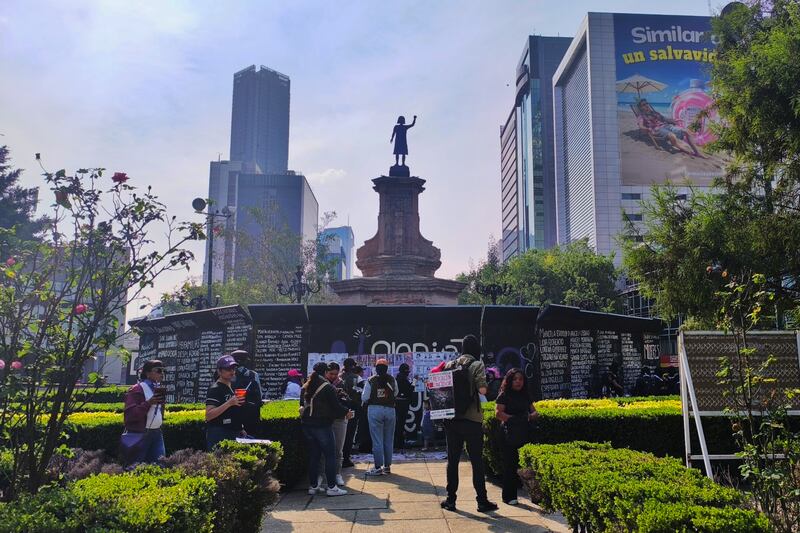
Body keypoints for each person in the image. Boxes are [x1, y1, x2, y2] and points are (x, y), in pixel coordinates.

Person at [440, 334, 498, 513]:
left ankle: (450, 500)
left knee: (452, 461)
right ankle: (481, 501)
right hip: (472, 420)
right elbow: (482, 389)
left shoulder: (450, 364)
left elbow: (442, 391)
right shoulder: (476, 364)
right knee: (476, 462)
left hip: (451, 420)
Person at [301, 361, 351, 497]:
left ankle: (313, 486)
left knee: (314, 455)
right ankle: (332, 487)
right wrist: (347, 411)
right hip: (322, 424)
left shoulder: (307, 385)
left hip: (307, 425)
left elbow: (302, 404)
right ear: (325, 372)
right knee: (330, 455)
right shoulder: (326, 387)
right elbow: (336, 406)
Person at [495, 368, 538, 505]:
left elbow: (535, 412)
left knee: (528, 465)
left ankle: (535, 494)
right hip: (509, 433)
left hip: (525, 432)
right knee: (510, 465)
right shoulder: (504, 395)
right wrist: (516, 419)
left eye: (521, 379)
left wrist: (530, 417)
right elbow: (498, 414)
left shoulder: (526, 395)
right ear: (509, 381)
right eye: (515, 379)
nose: (518, 382)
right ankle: (509, 496)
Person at [122, 359, 167, 464]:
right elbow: (130, 415)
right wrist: (149, 403)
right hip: (140, 434)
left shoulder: (157, 388)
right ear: (148, 373)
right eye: (158, 370)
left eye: (163, 371)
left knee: (160, 466)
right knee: (135, 466)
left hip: (157, 432)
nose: (162, 374)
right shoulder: (137, 389)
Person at [362, 358, 398, 476]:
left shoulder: (371, 380)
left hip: (375, 409)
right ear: (387, 368)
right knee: (389, 439)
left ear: (376, 368)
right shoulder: (392, 379)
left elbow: (364, 397)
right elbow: (396, 393)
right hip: (390, 410)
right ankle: (387, 467)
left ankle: (378, 467)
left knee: (377, 440)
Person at [636, 99, 705, 158]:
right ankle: (683, 149)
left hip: (667, 126)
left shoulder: (654, 113)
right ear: (641, 108)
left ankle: (697, 152)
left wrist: (674, 120)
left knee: (686, 131)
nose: (646, 105)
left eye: (647, 103)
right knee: (672, 136)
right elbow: (641, 126)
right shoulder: (641, 116)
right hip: (657, 130)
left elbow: (664, 119)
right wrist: (647, 129)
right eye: (644, 105)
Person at [205, 355, 247, 450]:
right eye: (228, 369)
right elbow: (209, 415)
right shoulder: (215, 389)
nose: (232, 371)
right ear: (219, 371)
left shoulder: (231, 387)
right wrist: (229, 403)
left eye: (233, 368)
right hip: (219, 433)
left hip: (233, 433)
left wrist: (240, 428)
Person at [318, 361, 349, 487]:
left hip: (339, 419)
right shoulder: (322, 384)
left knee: (338, 449)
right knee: (322, 450)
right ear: (326, 372)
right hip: (325, 420)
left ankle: (337, 474)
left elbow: (346, 400)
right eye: (331, 374)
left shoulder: (342, 383)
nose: (333, 376)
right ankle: (321, 475)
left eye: (336, 374)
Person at [230, 349, 263, 435]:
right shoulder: (253, 374)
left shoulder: (229, 375)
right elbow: (260, 395)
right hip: (251, 414)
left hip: (233, 413)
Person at [340, 358, 361, 468]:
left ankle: (340, 457)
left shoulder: (339, 377)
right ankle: (346, 459)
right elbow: (360, 394)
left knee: (340, 434)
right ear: (353, 366)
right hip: (352, 409)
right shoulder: (357, 378)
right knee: (349, 434)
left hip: (340, 409)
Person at [394, 363, 413, 449]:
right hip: (403, 404)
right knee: (401, 424)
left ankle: (397, 442)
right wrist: (414, 381)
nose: (408, 373)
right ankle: (400, 444)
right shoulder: (404, 379)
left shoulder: (396, 378)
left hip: (396, 403)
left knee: (397, 424)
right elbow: (409, 390)